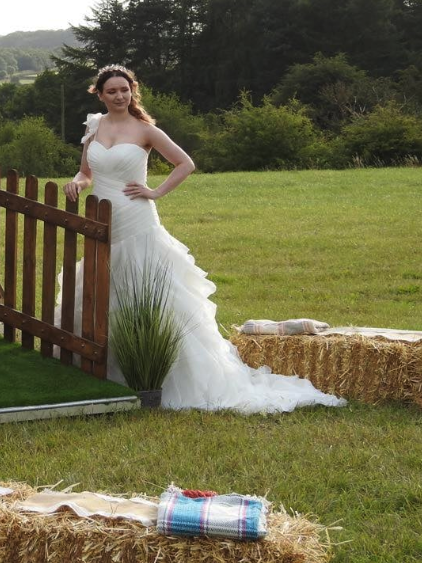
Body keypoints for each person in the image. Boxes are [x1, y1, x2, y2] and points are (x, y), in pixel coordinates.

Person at [63, 65, 345, 412]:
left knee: (148, 290)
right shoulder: (94, 126)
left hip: (136, 218)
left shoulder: (146, 130)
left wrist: (155, 191)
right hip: (101, 219)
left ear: (132, 91)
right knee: (103, 289)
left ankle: (154, 371)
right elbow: (86, 172)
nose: (119, 96)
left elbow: (185, 163)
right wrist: (77, 183)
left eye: (125, 89)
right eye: (112, 91)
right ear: (100, 94)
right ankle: (101, 371)